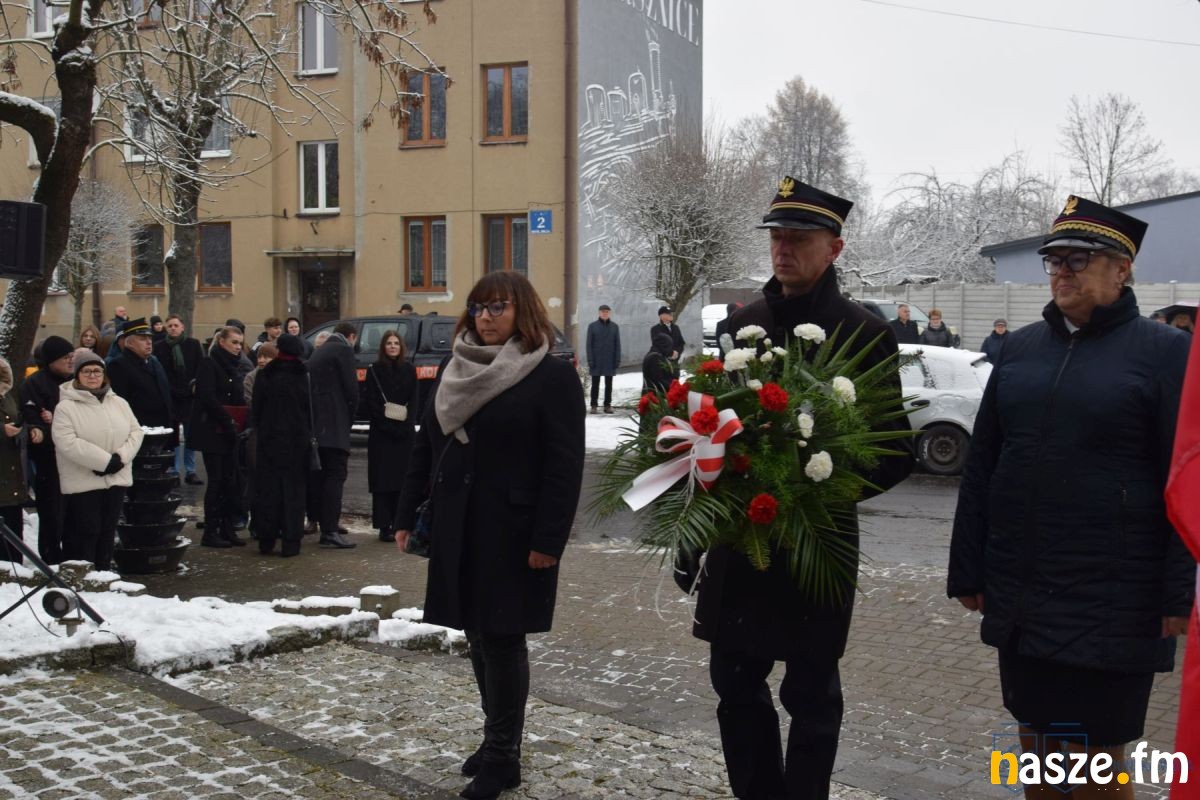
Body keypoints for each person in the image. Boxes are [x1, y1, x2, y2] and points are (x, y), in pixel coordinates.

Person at [948, 195, 1194, 800]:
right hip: (1025, 589)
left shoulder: (1168, 354)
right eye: (1054, 260)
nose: (1061, 271)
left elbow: (1185, 479)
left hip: (1116, 595)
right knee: (1036, 743)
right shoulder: (1020, 349)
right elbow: (984, 466)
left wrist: (1177, 591)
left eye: (1078, 259)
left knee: (1096, 758)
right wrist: (968, 567)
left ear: (1122, 269)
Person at [692, 176, 913, 800]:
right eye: (776, 237)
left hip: (817, 543)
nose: (783, 248)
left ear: (834, 248)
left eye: (799, 238)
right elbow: (710, 429)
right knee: (735, 682)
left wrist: (813, 493)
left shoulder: (864, 332)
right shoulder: (742, 325)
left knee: (812, 694)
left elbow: (893, 451)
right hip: (742, 544)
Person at [395, 272, 585, 799]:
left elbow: (564, 467)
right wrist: (405, 515)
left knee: (502, 638)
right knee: (476, 635)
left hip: (514, 532)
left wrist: (548, 540)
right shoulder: (454, 369)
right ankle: (497, 740)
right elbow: (426, 447)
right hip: (458, 525)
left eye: (497, 306)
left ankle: (503, 757)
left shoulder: (551, 375)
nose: (485, 317)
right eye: (478, 307)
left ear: (522, 309)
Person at [51, 349, 144, 571]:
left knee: (107, 531)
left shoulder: (118, 402)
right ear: (77, 375)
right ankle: (84, 577)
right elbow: (67, 441)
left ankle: (103, 574)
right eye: (87, 371)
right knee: (86, 532)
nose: (93, 376)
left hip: (116, 478)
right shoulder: (66, 407)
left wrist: (119, 459)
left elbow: (136, 432)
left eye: (97, 371)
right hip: (84, 481)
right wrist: (103, 462)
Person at [251, 334, 311, 557]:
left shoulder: (265, 374)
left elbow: (256, 409)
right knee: (294, 494)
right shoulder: (303, 375)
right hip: (297, 442)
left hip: (269, 441)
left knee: (269, 491)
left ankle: (266, 540)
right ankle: (291, 542)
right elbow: (310, 410)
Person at [189, 326, 248, 549]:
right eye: (234, 342)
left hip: (229, 432)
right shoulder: (209, 363)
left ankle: (226, 528)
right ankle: (211, 531)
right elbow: (208, 397)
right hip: (213, 431)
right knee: (216, 481)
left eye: (240, 343)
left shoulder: (234, 365)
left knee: (229, 481)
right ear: (221, 342)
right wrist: (227, 420)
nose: (238, 347)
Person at [19, 336, 74, 564]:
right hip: (49, 459)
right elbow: (34, 422)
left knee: (74, 514)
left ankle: (73, 555)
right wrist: (52, 426)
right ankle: (51, 559)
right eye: (65, 358)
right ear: (51, 360)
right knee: (52, 512)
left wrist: (57, 419)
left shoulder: (74, 382)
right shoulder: (34, 384)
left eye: (72, 356)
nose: (70, 361)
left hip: (75, 459)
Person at [306, 321, 359, 549]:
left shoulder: (319, 352)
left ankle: (324, 523)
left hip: (319, 426)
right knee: (335, 477)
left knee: (321, 477)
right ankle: (330, 531)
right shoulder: (343, 350)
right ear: (352, 337)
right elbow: (352, 390)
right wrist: (349, 420)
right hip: (335, 425)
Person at [364, 331, 416, 543]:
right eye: (389, 343)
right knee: (383, 482)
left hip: (404, 435)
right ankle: (384, 525)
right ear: (383, 347)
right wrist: (387, 426)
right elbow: (372, 402)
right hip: (381, 435)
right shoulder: (374, 370)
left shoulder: (409, 369)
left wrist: (406, 425)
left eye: (396, 343)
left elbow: (415, 399)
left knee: (402, 481)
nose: (393, 346)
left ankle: (399, 522)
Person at [153, 314, 205, 485]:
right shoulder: (160, 347)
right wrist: (170, 390)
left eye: (176, 325)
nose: (173, 328)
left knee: (190, 435)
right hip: (170, 397)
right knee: (172, 436)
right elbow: (159, 373)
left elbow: (200, 368)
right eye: (170, 326)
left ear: (182, 327)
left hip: (190, 396)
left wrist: (193, 386)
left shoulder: (193, 345)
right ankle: (174, 470)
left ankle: (190, 470)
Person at [106, 319, 176, 438]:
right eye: (142, 339)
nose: (149, 342)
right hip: (140, 432)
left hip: (163, 429)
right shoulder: (119, 365)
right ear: (129, 343)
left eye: (150, 338)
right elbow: (120, 403)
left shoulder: (154, 361)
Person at [0, 356, 36, 564]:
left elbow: (16, 419)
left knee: (12, 530)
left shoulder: (7, 396)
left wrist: (29, 430)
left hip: (10, 473)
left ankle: (14, 569)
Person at [585, 304, 621, 414]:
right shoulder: (592, 326)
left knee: (609, 384)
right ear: (599, 313)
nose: (605, 313)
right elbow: (589, 344)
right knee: (595, 384)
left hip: (610, 360)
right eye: (603, 312)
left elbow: (617, 344)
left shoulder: (614, 327)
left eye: (607, 312)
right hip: (596, 360)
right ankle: (594, 405)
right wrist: (590, 359)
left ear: (609, 313)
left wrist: (617, 359)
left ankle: (607, 405)